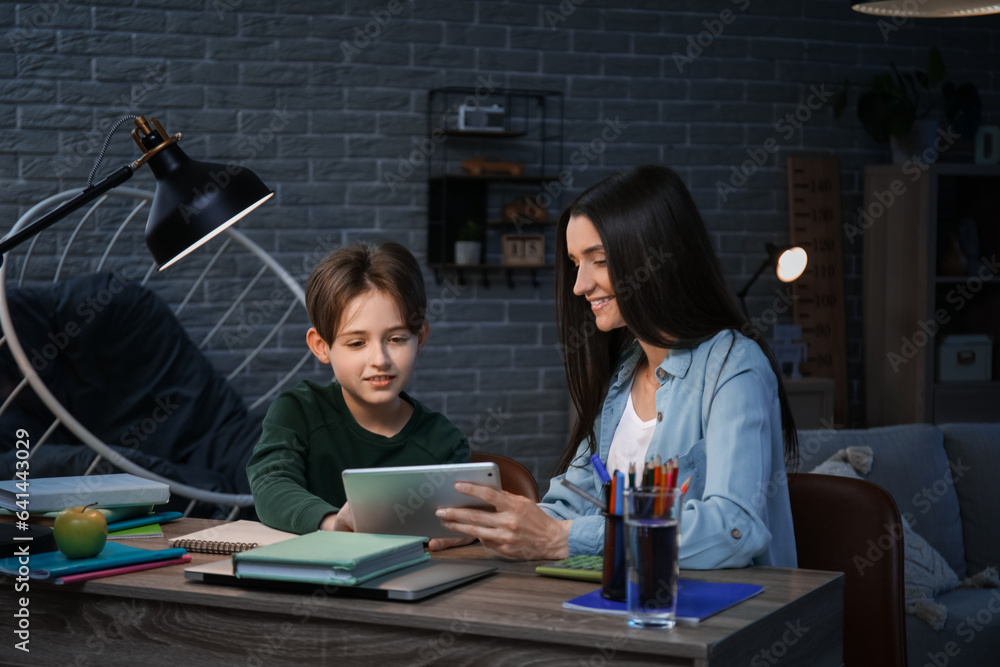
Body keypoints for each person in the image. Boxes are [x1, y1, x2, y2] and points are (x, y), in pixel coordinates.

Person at [436, 165, 800, 568]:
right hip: (629, 606)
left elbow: (734, 527)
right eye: (576, 262)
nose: (579, 285)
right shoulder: (623, 372)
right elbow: (570, 508)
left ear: (655, 259)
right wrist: (488, 526)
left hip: (725, 612)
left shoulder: (733, 364)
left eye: (600, 260)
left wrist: (568, 540)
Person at [247, 241, 470, 534]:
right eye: (356, 343)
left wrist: (466, 533)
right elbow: (271, 485)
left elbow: (461, 527)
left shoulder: (445, 444)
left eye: (397, 339)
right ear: (321, 346)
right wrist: (332, 523)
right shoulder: (298, 413)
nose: (380, 360)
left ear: (421, 338)